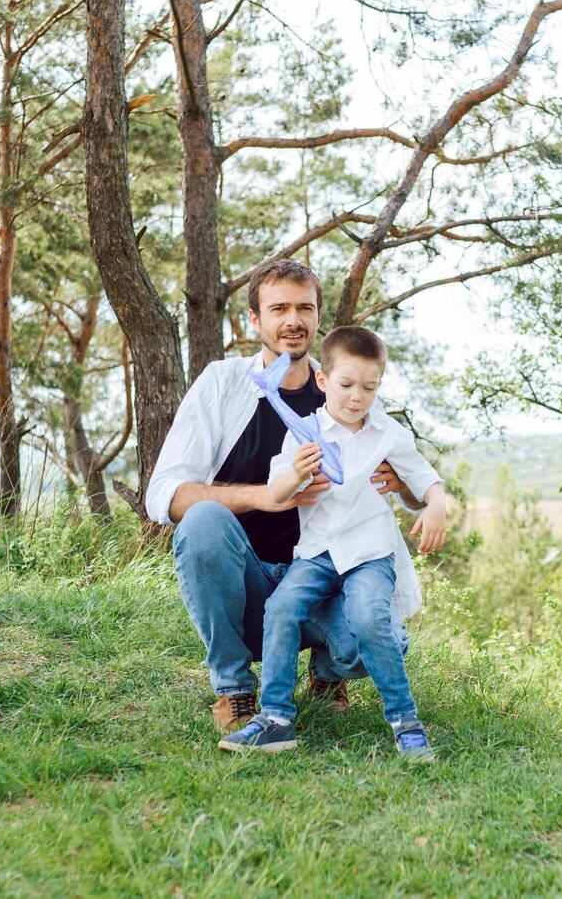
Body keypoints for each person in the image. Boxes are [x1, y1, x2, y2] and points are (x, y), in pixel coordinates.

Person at [146, 260, 426, 735]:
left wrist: (405, 488)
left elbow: (412, 485)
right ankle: (234, 688)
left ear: (318, 319)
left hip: (323, 578)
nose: (293, 319)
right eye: (279, 308)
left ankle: (329, 674)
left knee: (389, 639)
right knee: (201, 522)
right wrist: (264, 497)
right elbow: (165, 496)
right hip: (249, 583)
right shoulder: (222, 383)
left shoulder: (343, 391)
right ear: (255, 319)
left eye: (305, 308)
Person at [220, 325, 445, 760]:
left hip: (369, 553)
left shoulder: (387, 434)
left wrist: (436, 505)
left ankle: (405, 720)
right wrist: (296, 474)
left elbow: (424, 477)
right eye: (346, 385)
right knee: (281, 608)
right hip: (317, 552)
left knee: (369, 616)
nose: (357, 397)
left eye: (370, 387)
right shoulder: (302, 432)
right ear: (323, 381)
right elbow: (278, 491)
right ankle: (276, 718)